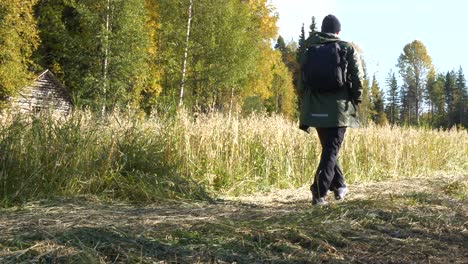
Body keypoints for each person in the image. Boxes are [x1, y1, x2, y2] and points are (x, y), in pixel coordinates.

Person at [299, 14, 364, 206]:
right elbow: (358, 77)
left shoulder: (310, 50)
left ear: (322, 29)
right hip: (338, 110)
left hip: (315, 109)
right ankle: (318, 193)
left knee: (329, 149)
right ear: (337, 32)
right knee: (330, 150)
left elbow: (301, 82)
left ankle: (340, 186)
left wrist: (306, 102)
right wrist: (356, 97)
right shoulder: (346, 48)